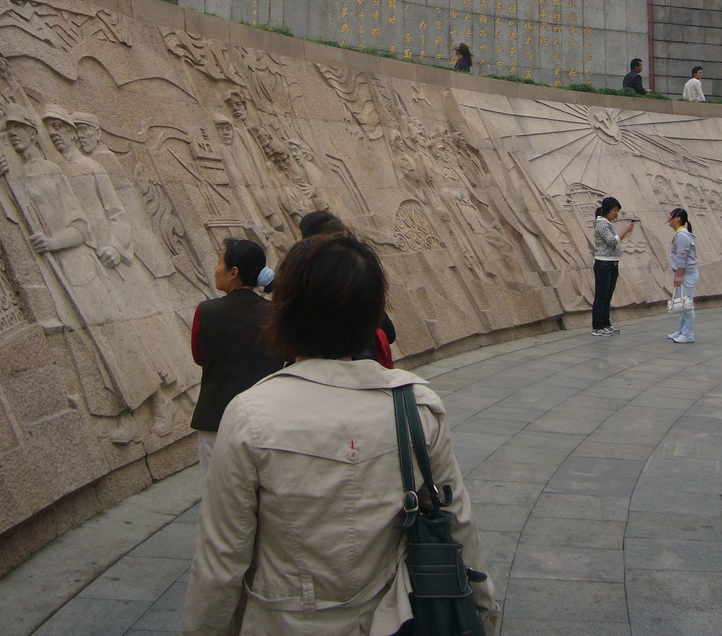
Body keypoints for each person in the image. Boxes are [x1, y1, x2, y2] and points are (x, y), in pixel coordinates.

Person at [182, 234, 498, 636]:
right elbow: (458, 525)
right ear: (372, 316)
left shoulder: (250, 415)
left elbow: (221, 561)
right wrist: (484, 611)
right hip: (397, 617)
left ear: (286, 311)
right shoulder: (417, 405)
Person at [190, 239, 281, 478]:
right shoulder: (275, 314)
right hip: (264, 420)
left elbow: (199, 357)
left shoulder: (206, 311)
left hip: (215, 418)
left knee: (216, 498)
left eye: (219, 262)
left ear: (234, 272)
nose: (215, 269)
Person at [297, 210, 397, 365]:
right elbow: (389, 332)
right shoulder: (359, 274)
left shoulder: (305, 283)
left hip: (330, 370)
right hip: (363, 367)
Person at [592, 197, 634, 336]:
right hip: (603, 263)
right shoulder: (602, 224)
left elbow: (615, 241)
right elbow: (611, 241)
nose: (616, 213)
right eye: (614, 210)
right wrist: (625, 231)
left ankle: (606, 323)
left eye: (618, 211)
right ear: (607, 209)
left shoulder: (609, 224)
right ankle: (597, 326)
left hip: (612, 262)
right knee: (601, 296)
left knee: (608, 296)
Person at [667, 208, 699, 344]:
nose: (669, 218)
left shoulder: (682, 236)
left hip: (686, 275)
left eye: (671, 216)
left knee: (687, 306)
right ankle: (681, 331)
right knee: (683, 305)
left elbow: (682, 257)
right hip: (685, 274)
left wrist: (679, 276)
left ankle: (688, 334)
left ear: (678, 218)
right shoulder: (681, 234)